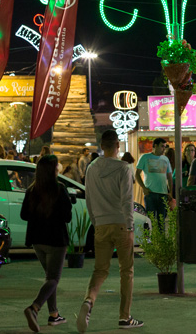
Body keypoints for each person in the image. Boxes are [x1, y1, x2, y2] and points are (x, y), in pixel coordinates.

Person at [78, 130, 142, 332]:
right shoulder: (124, 168)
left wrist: (95, 222)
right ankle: (125, 317)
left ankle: (89, 300)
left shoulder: (91, 168)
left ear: (101, 146)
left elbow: (88, 198)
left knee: (100, 270)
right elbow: (127, 200)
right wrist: (130, 227)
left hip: (101, 225)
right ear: (117, 145)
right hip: (121, 224)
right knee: (126, 271)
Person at [21, 155, 72, 331]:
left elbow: (24, 215)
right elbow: (67, 217)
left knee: (50, 278)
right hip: (56, 240)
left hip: (37, 240)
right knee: (53, 278)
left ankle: (54, 315)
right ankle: (34, 308)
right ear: (53, 170)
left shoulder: (31, 190)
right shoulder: (59, 189)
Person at [136, 137, 172, 223]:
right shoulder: (145, 157)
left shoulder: (165, 159)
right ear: (155, 146)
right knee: (150, 220)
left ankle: (160, 233)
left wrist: (170, 192)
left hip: (163, 193)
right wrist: (144, 188)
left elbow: (169, 176)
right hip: (150, 193)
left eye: (165, 147)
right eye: (162, 146)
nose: (163, 149)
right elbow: (137, 174)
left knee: (161, 220)